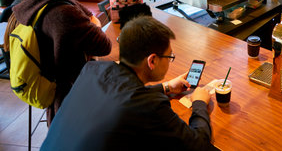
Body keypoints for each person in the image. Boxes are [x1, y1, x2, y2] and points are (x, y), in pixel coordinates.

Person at [41, 16, 217, 151]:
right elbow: (198, 145)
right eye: (169, 56)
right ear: (152, 60)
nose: (170, 60)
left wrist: (167, 87)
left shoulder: (92, 69)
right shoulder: (149, 106)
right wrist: (200, 102)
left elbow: (122, 96)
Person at [13, 0, 111, 124]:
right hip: (74, 100)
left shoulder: (36, 0)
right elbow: (103, 45)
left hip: (60, 96)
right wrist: (93, 22)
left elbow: (86, 17)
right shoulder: (62, 13)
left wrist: (90, 20)